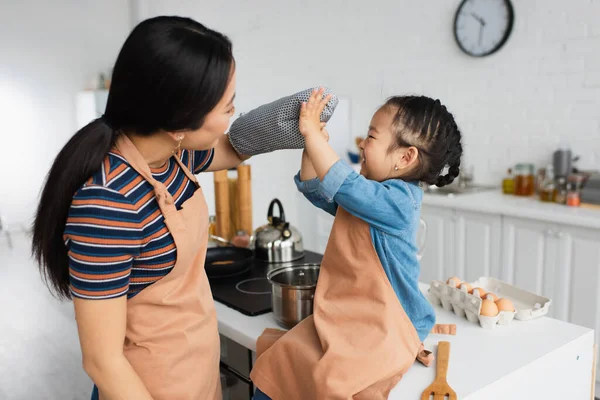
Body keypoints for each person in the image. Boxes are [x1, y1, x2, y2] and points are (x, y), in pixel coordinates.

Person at [31, 16, 311, 400]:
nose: (233, 112)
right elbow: (103, 362)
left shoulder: (172, 156)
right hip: (148, 385)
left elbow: (232, 148)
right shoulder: (109, 204)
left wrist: (296, 119)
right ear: (179, 123)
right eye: (227, 106)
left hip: (193, 369)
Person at [251, 89, 463, 399]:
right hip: (348, 316)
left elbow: (343, 183)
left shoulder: (399, 202)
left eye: (372, 136)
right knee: (280, 360)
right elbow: (317, 188)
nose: (363, 144)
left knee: (333, 382)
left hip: (390, 324)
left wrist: (315, 137)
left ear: (405, 157)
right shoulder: (365, 194)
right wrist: (311, 146)